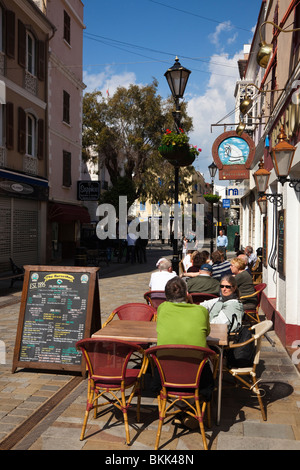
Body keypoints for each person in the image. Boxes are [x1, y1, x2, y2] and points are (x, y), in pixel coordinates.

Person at [155, 276, 215, 424]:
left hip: (165, 375)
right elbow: (206, 333)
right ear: (187, 294)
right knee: (211, 359)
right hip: (196, 375)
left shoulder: (162, 308)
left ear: (166, 296)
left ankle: (182, 409)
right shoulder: (201, 311)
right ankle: (192, 408)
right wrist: (191, 303)